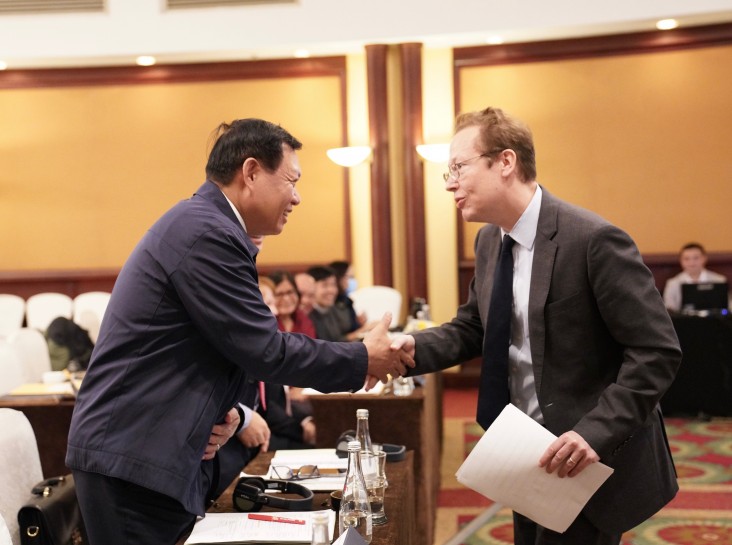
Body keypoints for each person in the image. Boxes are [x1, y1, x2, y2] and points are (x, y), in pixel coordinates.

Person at [66, 118, 412, 545]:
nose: (297, 196)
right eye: (291, 180)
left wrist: (226, 409)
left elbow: (214, 345)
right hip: (134, 457)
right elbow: (264, 349)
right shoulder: (206, 232)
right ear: (250, 172)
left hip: (147, 452)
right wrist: (362, 358)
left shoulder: (207, 225)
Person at [388, 107, 681, 545]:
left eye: (458, 167)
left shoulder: (592, 240)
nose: (449, 182)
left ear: (505, 162)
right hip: (524, 451)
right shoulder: (490, 240)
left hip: (587, 456)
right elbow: (475, 327)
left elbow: (656, 351)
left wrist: (593, 434)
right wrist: (407, 345)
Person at [308, 265, 374, 341]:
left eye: (333, 285)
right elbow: (329, 344)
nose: (331, 290)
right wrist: (362, 331)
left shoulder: (332, 309)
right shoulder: (309, 314)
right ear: (311, 287)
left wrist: (360, 325)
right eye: (325, 285)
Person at [662, 242, 727, 312]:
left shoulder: (719, 281)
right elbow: (669, 310)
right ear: (681, 261)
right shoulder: (673, 284)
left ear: (704, 258)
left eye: (696, 258)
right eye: (686, 259)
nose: (691, 262)